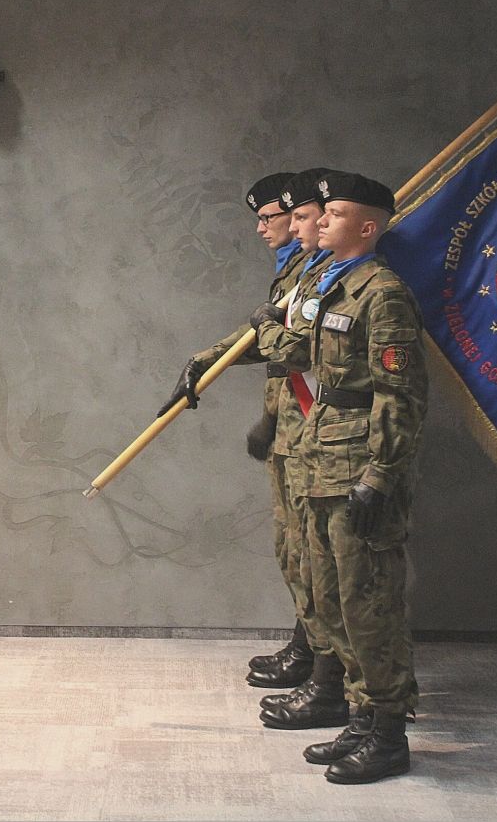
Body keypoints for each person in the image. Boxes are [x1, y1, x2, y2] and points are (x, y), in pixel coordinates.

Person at [251, 171, 428, 784]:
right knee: (330, 597)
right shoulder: (332, 284)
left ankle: (389, 733)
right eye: (319, 212)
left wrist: (382, 473)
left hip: (358, 465)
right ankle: (360, 714)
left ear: (369, 227)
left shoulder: (383, 293)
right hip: (319, 457)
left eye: (335, 213)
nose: (320, 219)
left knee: (367, 601)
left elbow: (401, 395)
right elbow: (303, 360)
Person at [157, 171, 315, 691]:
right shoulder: (294, 268)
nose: (262, 228)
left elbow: (292, 348)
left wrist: (272, 413)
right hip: (291, 422)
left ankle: (323, 664)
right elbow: (268, 340)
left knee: (312, 550)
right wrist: (204, 361)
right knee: (294, 546)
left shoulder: (320, 272)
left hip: (315, 430)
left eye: (271, 217)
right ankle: (310, 649)